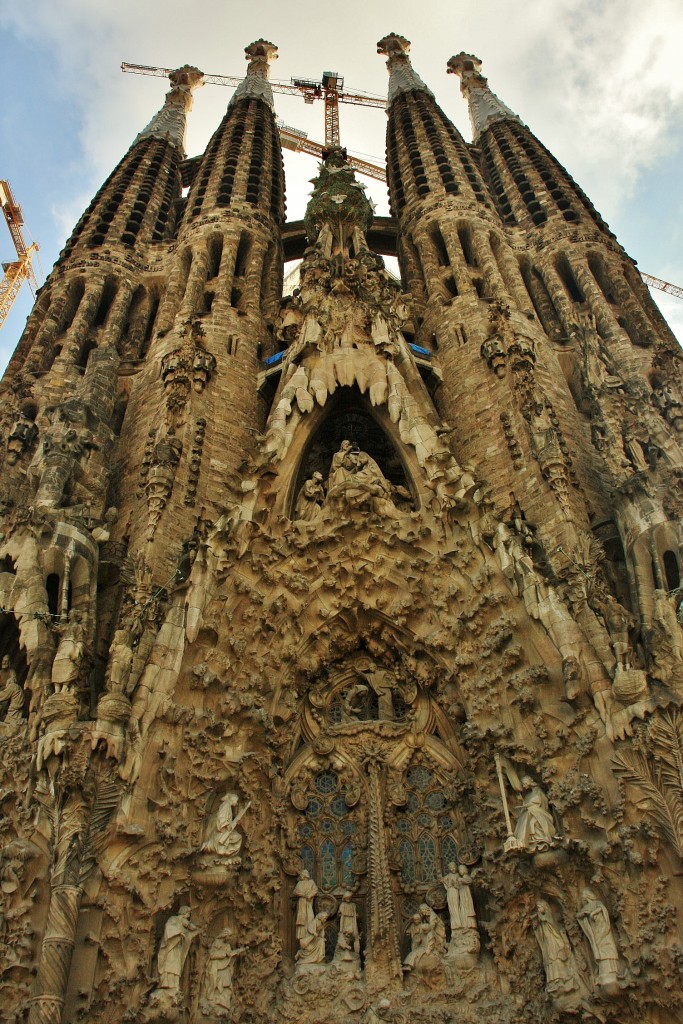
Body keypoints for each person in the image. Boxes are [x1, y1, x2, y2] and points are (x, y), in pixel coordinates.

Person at [577, 888, 619, 988]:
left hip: (604, 929)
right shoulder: (586, 907)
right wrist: (584, 914)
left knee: (608, 948)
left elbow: (602, 908)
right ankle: (604, 971)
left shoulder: (597, 903)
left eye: (583, 896)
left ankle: (614, 970)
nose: (582, 898)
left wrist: (593, 913)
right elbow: (578, 915)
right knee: (600, 949)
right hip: (596, 931)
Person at [202, 927, 245, 1014]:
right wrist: (224, 954)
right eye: (229, 936)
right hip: (214, 966)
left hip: (224, 967)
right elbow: (211, 954)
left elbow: (229, 956)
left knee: (226, 982)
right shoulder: (217, 942)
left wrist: (236, 952)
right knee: (213, 982)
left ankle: (223, 1002)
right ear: (225, 935)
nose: (230, 938)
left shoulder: (228, 945)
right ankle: (211, 1000)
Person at [157, 906, 200, 992]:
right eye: (188, 913)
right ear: (184, 913)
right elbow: (169, 928)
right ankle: (165, 983)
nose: (188, 916)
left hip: (178, 948)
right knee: (169, 963)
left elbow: (189, 932)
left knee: (176, 965)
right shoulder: (174, 919)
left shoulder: (183, 925)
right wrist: (179, 933)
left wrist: (191, 931)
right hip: (170, 946)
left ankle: (174, 984)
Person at [514, 777, 556, 851]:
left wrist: (525, 805)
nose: (523, 786)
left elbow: (541, 802)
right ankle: (527, 839)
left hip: (539, 811)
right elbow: (527, 803)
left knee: (532, 812)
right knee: (528, 813)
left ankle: (540, 837)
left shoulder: (538, 791)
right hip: (531, 811)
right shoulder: (528, 795)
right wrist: (522, 801)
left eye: (524, 784)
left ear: (529, 782)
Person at [293, 869, 318, 942]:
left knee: (310, 917)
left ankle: (310, 933)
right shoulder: (299, 883)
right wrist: (302, 894)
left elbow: (315, 890)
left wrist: (310, 895)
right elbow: (295, 891)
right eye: (305, 873)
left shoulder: (311, 882)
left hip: (309, 902)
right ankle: (303, 935)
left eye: (307, 872)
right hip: (302, 902)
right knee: (302, 919)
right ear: (302, 875)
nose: (307, 873)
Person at [0, 655, 23, 723]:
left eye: (6, 661)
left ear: (9, 662)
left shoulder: (11, 671)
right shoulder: (0, 672)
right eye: (3, 661)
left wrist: (9, 682)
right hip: (2, 692)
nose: (4, 662)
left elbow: (13, 680)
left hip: (9, 692)